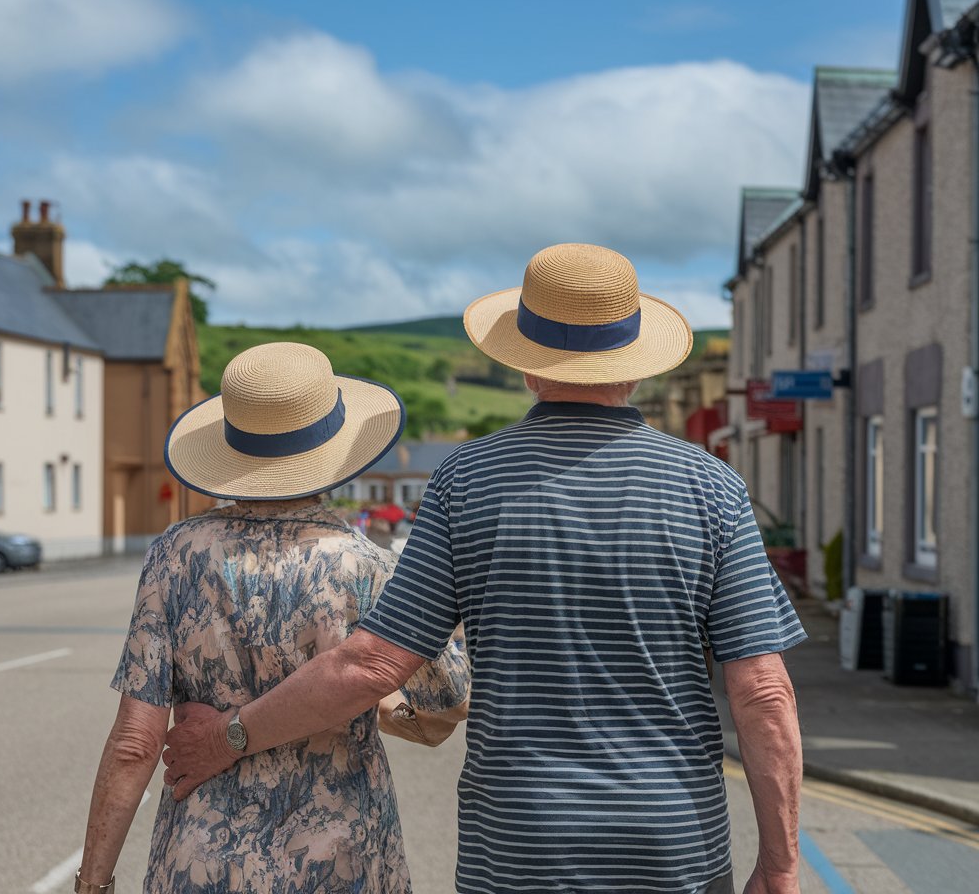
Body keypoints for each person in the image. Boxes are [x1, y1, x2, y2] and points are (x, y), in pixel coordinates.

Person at [163, 244, 807, 894]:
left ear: (527, 367)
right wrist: (779, 866)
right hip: (674, 846)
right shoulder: (710, 487)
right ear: (633, 368)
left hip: (519, 846)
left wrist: (230, 736)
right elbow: (762, 693)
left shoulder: (468, 481)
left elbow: (371, 666)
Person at [75, 342, 470, 894]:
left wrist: (93, 882)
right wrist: (367, 703)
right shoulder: (371, 566)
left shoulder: (174, 556)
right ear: (332, 449)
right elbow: (445, 702)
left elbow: (135, 744)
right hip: (340, 859)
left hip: (201, 859)